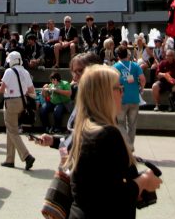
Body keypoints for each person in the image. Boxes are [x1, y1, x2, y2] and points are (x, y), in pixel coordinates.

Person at [67, 64, 162, 218]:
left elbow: (100, 185)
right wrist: (144, 181)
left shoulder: (84, 129)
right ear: (104, 94)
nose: (122, 94)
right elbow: (112, 197)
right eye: (119, 88)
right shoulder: (107, 134)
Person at [0, 50, 36, 170]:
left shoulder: (9, 71)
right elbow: (31, 90)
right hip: (22, 102)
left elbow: (1, 89)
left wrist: (1, 86)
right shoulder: (25, 71)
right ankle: (9, 159)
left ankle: (26, 156)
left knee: (12, 130)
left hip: (11, 102)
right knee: (11, 129)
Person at [113, 45, 145, 146]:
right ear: (127, 54)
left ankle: (126, 145)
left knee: (120, 124)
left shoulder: (114, 67)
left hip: (121, 99)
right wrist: (141, 88)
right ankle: (130, 146)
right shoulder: (135, 65)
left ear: (117, 56)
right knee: (132, 125)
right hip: (134, 99)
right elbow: (142, 79)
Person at [40, 71, 73, 135]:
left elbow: (69, 93)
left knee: (57, 110)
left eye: (54, 79)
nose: (53, 81)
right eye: (52, 80)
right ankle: (46, 127)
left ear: (57, 79)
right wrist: (44, 90)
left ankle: (57, 128)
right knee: (42, 109)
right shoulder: (51, 85)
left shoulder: (65, 83)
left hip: (63, 103)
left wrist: (57, 90)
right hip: (52, 102)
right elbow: (45, 96)